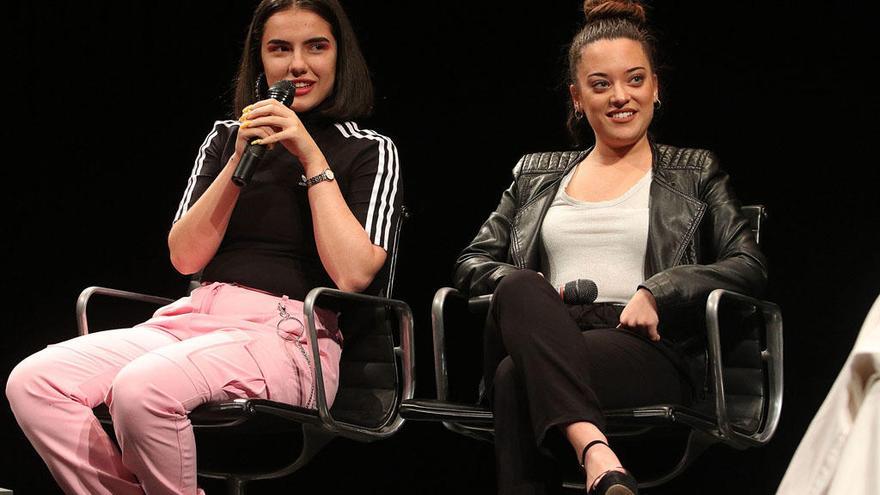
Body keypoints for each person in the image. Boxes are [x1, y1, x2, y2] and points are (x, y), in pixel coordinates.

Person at [5, 0, 402, 493]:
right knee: (34, 381)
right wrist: (238, 163)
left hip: (290, 336)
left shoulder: (368, 148)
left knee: (141, 389)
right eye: (280, 49)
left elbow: (353, 274)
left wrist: (309, 154)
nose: (297, 64)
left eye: (315, 47)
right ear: (261, 63)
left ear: (339, 58)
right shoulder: (226, 138)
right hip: (194, 320)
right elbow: (185, 259)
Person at [452, 1, 766, 494]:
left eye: (635, 80)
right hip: (545, 328)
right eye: (601, 85)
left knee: (516, 378)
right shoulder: (535, 174)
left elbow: (747, 264)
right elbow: (473, 262)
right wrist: (529, 291)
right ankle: (598, 454)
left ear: (656, 86)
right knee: (518, 287)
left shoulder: (695, 169)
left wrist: (659, 290)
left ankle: (592, 453)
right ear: (578, 97)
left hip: (644, 348)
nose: (621, 96)